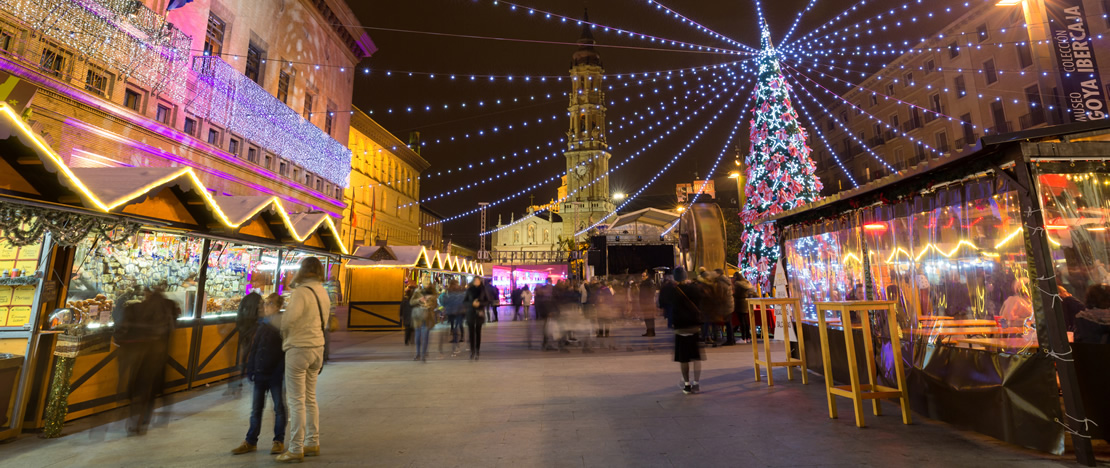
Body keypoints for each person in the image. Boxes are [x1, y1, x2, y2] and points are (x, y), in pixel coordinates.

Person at [276, 257, 330, 463]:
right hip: (317, 347)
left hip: (299, 348)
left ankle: (295, 448)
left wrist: (282, 330)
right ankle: (312, 442)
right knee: (310, 398)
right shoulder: (322, 291)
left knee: (296, 400)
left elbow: (289, 319)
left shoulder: (301, 292)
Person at [113, 284, 180, 435]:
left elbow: (122, 325)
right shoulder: (167, 306)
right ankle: (142, 421)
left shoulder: (137, 307)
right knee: (148, 389)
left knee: (139, 387)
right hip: (157, 354)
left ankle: (135, 420)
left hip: (141, 353)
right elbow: (172, 326)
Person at [232, 294, 287, 456]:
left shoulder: (281, 325)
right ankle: (250, 441)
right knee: (256, 409)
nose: (265, 306)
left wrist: (278, 371)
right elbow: (255, 348)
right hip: (260, 374)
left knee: (279, 408)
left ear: (277, 307)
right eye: (264, 304)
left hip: (274, 376)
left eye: (269, 303)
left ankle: (278, 441)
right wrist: (251, 369)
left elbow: (285, 351)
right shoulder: (262, 325)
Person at [669, 268, 705, 394]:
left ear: (675, 278)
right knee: (695, 356)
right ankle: (697, 383)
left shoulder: (673, 291)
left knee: (684, 358)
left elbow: (666, 305)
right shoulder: (694, 289)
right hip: (694, 326)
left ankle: (686, 385)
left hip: (680, 328)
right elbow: (702, 301)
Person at [410, 279, 438, 362]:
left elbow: (435, 305)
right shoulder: (417, 292)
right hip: (418, 317)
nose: (426, 285)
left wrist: (429, 304)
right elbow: (411, 302)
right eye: (424, 283)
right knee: (418, 337)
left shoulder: (433, 294)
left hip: (427, 317)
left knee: (425, 337)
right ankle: (418, 353)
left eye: (427, 283)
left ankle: (423, 355)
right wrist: (419, 300)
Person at [236, 291, 263, 377]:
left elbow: (239, 316)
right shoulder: (258, 302)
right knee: (249, 351)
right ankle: (247, 371)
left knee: (244, 352)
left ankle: (241, 371)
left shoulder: (245, 301)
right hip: (251, 330)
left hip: (245, 329)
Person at [465, 277, 491, 360]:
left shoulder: (483, 290)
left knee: (478, 332)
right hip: (471, 313)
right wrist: (471, 303)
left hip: (479, 312)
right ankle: (472, 351)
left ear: (480, 282)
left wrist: (480, 303)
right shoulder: (469, 290)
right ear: (473, 282)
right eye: (475, 281)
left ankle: (477, 350)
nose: (476, 282)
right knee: (471, 333)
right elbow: (465, 301)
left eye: (478, 280)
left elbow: (488, 300)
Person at [732, 274, 756, 344]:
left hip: (739, 303)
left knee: (742, 322)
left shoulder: (738, 284)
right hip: (745, 303)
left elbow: (737, 294)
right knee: (745, 321)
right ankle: (748, 337)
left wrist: (733, 294)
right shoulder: (746, 283)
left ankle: (743, 338)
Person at [639, 271, 657, 337]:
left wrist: (647, 299)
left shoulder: (649, 283)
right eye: (642, 276)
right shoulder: (643, 283)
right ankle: (649, 331)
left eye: (643, 276)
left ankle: (651, 332)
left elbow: (652, 292)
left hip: (648, 303)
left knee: (650, 318)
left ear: (647, 276)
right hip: (644, 303)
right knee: (647, 318)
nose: (642, 277)